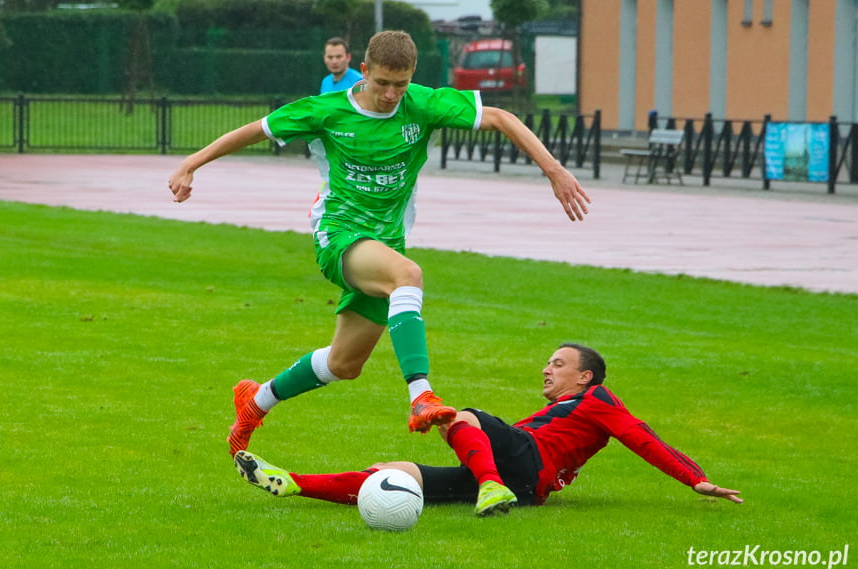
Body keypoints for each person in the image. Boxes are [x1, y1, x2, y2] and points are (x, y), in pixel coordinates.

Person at [167, 31, 591, 459]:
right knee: (408, 275)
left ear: (411, 77)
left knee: (343, 365)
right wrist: (191, 163)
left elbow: (501, 118)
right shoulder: (327, 110)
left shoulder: (422, 104)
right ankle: (422, 395)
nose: (391, 94)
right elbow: (255, 131)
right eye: (383, 82)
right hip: (339, 234)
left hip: (385, 243)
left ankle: (255, 402)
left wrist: (554, 171)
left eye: (401, 84)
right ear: (364, 71)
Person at [233, 343, 743, 516]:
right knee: (395, 475)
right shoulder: (563, 413)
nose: (548, 369)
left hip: (524, 466)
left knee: (459, 416)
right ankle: (294, 482)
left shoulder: (600, 400)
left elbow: (643, 439)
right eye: (548, 362)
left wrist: (693, 477)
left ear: (585, 376)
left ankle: (490, 482)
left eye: (559, 364)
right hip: (527, 486)